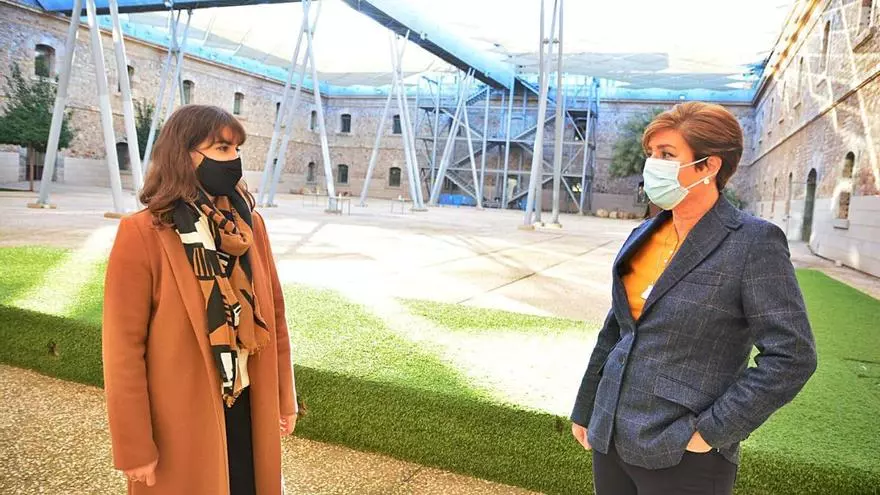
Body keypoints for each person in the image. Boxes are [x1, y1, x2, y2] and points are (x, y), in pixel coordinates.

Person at [569, 102, 817, 495]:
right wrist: (586, 407)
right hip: (610, 436)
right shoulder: (644, 234)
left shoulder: (753, 242)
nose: (653, 164)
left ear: (709, 166)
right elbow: (616, 328)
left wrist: (709, 433)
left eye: (667, 155)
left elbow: (793, 354)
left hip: (683, 455)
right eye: (651, 153)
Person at [102, 104, 298, 494]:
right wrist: (134, 446)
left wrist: (283, 398)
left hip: (249, 403)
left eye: (237, 149)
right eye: (222, 148)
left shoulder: (249, 226)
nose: (234, 160)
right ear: (183, 154)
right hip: (181, 420)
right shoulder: (143, 233)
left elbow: (274, 314)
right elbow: (123, 349)